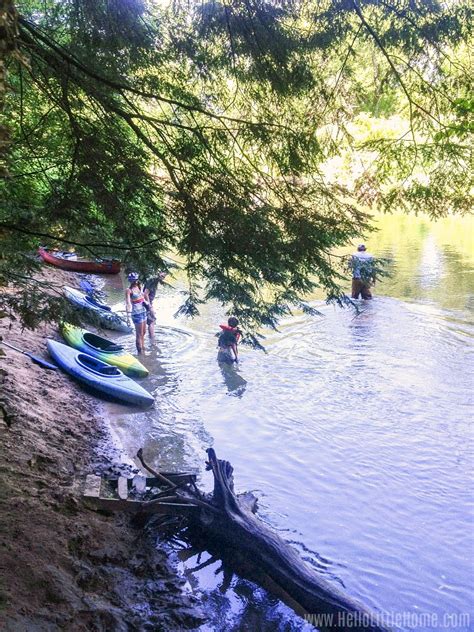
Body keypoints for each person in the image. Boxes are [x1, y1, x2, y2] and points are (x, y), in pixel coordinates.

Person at [125, 272, 150, 353]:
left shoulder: (140, 287)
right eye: (133, 280)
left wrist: (148, 305)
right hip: (136, 314)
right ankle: (140, 354)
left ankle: (143, 349)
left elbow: (142, 298)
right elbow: (128, 303)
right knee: (139, 334)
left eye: (136, 280)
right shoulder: (128, 290)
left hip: (143, 312)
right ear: (130, 281)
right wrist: (128, 316)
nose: (135, 281)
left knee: (143, 332)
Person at [143, 271, 166, 340]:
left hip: (147, 303)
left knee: (151, 320)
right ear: (158, 272)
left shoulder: (154, 281)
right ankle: (152, 340)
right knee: (152, 321)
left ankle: (150, 337)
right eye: (162, 275)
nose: (163, 277)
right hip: (146, 303)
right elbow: (145, 294)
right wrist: (150, 307)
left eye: (164, 276)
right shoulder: (152, 280)